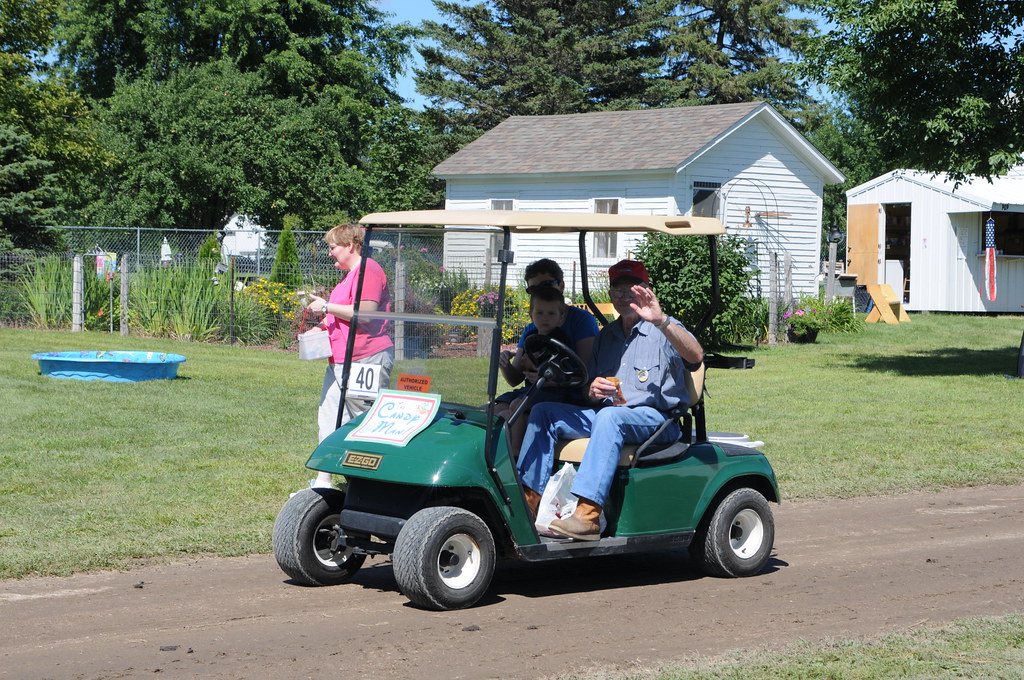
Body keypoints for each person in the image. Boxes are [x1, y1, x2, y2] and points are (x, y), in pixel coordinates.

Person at [516, 259, 704, 541]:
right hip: (610, 416)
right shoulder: (607, 337)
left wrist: (661, 320)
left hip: (656, 419)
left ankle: (587, 515)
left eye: (633, 289)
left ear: (646, 291)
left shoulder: (664, 328)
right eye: (618, 290)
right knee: (543, 411)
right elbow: (585, 386)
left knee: (609, 417)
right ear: (611, 295)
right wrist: (591, 390)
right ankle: (528, 502)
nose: (625, 296)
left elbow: (695, 356)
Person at [300, 223, 394, 490]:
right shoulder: (348, 276)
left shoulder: (369, 271)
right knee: (329, 418)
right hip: (339, 361)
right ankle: (323, 481)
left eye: (333, 247)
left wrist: (327, 305)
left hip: (366, 359)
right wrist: (318, 329)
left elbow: (365, 315)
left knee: (364, 420)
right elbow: (338, 317)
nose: (330, 253)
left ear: (350, 245)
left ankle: (372, 486)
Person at [495, 285, 576, 454]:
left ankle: (516, 452)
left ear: (561, 318)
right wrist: (506, 362)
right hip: (532, 389)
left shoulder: (560, 340)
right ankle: (495, 452)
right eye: (540, 313)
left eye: (551, 313)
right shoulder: (531, 337)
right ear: (531, 314)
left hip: (555, 393)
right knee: (496, 412)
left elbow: (563, 372)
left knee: (518, 404)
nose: (545, 318)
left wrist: (535, 367)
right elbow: (518, 372)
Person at [499, 258, 599, 389]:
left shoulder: (582, 320)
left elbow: (586, 373)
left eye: (546, 285)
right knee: (494, 409)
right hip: (534, 390)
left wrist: (553, 382)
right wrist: (504, 364)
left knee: (514, 408)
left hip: (568, 393)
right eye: (534, 289)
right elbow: (515, 379)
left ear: (561, 286)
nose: (541, 293)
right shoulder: (532, 329)